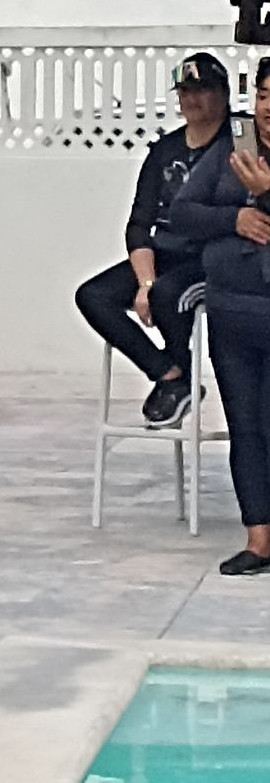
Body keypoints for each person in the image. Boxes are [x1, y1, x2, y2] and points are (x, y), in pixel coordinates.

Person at [74, 51, 233, 427]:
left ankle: (180, 371)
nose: (191, 99)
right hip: (165, 254)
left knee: (167, 294)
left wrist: (154, 289)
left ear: (223, 94)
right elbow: (140, 223)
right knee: (93, 296)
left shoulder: (236, 142)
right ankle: (170, 376)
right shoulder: (166, 149)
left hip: (208, 257)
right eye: (184, 91)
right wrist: (144, 281)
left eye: (203, 90)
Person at [166, 55, 270, 574]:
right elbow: (183, 212)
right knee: (246, 427)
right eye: (266, 96)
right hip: (234, 311)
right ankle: (258, 539)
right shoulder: (236, 147)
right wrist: (235, 217)